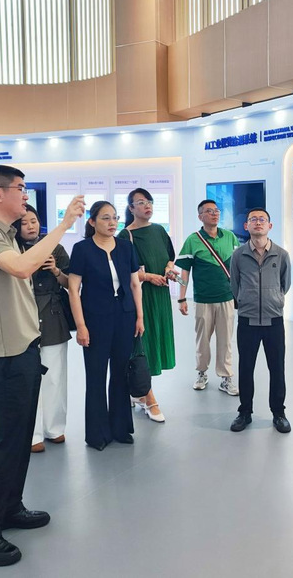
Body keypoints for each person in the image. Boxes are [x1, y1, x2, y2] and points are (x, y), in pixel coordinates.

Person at [0, 165, 85, 567]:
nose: (26, 195)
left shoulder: (6, 234)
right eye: (20, 188)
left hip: (23, 348)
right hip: (2, 355)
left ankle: (9, 507)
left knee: (17, 442)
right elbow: (22, 268)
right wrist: (64, 224)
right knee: (5, 443)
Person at [68, 201, 145, 450]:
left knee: (121, 372)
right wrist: (81, 326)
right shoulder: (82, 249)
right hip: (95, 319)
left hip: (124, 316)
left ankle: (121, 428)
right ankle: (97, 433)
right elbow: (73, 290)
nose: (112, 223)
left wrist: (140, 316)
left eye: (114, 218)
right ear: (92, 222)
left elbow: (134, 284)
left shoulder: (125, 247)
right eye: (105, 218)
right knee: (96, 374)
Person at [13, 205, 71, 452]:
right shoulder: (11, 248)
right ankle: (32, 433)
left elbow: (71, 283)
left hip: (53, 314)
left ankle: (54, 428)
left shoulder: (54, 246)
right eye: (24, 222)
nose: (30, 226)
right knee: (27, 377)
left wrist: (55, 270)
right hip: (22, 314)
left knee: (55, 375)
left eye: (34, 221)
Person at [228, 208, 292, 433]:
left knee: (277, 368)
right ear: (246, 225)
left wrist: (274, 299)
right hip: (247, 320)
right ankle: (245, 412)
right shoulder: (238, 255)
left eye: (262, 219)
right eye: (253, 219)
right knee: (246, 368)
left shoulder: (281, 255)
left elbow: (285, 284)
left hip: (274, 320)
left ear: (269, 226)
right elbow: (234, 285)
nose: (258, 223)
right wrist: (245, 300)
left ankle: (279, 413)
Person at [119, 188, 177, 423]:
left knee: (156, 343)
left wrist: (169, 269)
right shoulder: (126, 235)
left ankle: (139, 392)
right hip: (141, 297)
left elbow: (170, 256)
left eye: (149, 201)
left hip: (161, 296)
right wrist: (148, 276)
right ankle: (148, 397)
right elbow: (123, 271)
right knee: (143, 345)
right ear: (131, 208)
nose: (147, 206)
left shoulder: (159, 230)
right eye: (141, 202)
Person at [175, 199, 240, 395]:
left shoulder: (229, 237)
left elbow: (238, 267)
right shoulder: (193, 240)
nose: (214, 214)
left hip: (226, 297)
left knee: (225, 340)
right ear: (200, 216)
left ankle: (226, 377)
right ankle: (201, 373)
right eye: (209, 211)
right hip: (203, 299)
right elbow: (184, 271)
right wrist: (182, 298)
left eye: (216, 210)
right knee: (202, 340)